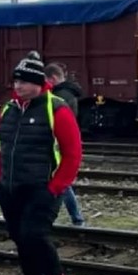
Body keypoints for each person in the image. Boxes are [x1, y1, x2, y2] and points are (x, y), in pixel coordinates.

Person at [0, 52, 82, 275]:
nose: (18, 86)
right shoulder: (8, 109)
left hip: (42, 188)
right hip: (10, 189)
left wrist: (55, 187)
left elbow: (73, 153)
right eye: (16, 80)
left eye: (24, 81)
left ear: (39, 83)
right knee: (22, 242)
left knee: (34, 235)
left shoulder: (57, 109)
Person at [44, 63, 86, 227]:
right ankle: (76, 218)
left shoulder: (60, 97)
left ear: (52, 79)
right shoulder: (68, 94)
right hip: (60, 144)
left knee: (61, 182)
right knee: (61, 182)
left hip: (57, 146)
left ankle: (77, 218)